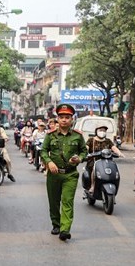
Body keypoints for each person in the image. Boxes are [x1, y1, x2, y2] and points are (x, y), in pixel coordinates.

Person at [41, 103, 87, 242]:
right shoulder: (50, 135)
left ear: (72, 119)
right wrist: (49, 162)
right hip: (54, 174)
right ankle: (56, 224)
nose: (64, 120)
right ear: (58, 119)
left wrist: (79, 158)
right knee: (54, 201)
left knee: (67, 201)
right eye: (61, 117)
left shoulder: (78, 136)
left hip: (70, 174)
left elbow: (84, 151)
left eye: (67, 117)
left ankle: (65, 229)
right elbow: (43, 151)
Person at [86, 125, 124, 194]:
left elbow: (113, 148)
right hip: (94, 161)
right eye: (100, 130)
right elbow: (86, 148)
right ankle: (92, 186)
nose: (102, 132)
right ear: (96, 131)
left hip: (107, 161)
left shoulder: (108, 141)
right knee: (93, 170)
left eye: (104, 131)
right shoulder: (91, 140)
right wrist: (85, 153)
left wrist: (119, 153)